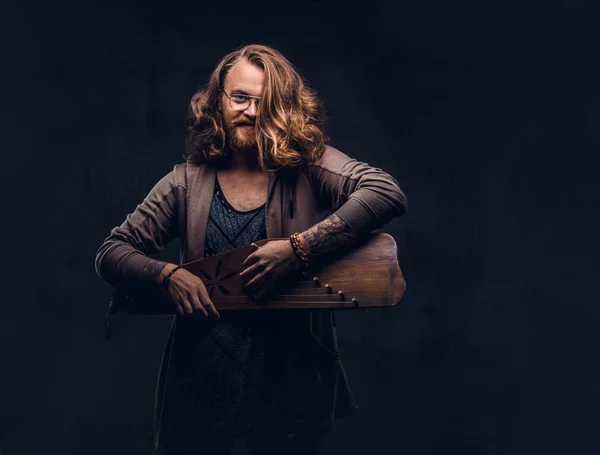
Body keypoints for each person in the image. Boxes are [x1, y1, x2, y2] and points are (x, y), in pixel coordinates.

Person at [95, 44, 407, 455]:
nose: (252, 112)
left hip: (289, 383)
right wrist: (166, 275)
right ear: (217, 101)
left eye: (267, 102)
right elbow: (112, 251)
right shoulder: (185, 182)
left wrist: (299, 249)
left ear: (285, 108)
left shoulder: (309, 165)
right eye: (240, 98)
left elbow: (385, 191)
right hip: (201, 380)